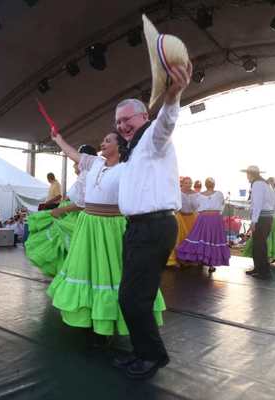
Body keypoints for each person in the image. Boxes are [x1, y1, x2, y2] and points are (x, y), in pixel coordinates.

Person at [113, 15, 192, 380]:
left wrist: (173, 96)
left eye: (127, 119)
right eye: (117, 123)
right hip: (139, 228)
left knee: (133, 298)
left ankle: (153, 357)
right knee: (131, 297)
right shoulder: (131, 153)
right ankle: (144, 353)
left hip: (153, 227)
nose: (121, 126)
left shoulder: (151, 139)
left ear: (143, 115)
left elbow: (166, 124)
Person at [47, 130, 166, 347]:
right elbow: (72, 154)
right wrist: (58, 139)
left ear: (120, 146)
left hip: (112, 226)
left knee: (109, 275)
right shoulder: (94, 163)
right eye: (103, 139)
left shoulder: (127, 168)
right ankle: (90, 321)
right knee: (88, 271)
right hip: (88, 224)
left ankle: (106, 328)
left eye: (107, 140)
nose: (102, 143)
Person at [25, 144, 97, 276]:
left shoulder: (89, 175)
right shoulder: (83, 176)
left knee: (75, 255)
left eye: (76, 161)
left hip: (76, 220)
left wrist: (60, 210)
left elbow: (83, 204)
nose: (74, 164)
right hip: (68, 217)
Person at [176, 177, 230, 272]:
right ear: (214, 185)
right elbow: (222, 205)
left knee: (201, 239)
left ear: (205, 185)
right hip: (215, 219)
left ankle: (201, 260)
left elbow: (196, 206)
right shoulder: (219, 194)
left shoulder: (199, 195)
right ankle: (210, 264)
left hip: (204, 218)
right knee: (212, 240)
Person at [241, 165, 275, 279]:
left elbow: (257, 204)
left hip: (261, 219)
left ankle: (263, 271)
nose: (247, 177)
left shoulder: (257, 184)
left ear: (250, 174)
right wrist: (273, 215)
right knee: (260, 244)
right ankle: (259, 268)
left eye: (247, 174)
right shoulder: (266, 184)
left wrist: (253, 222)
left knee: (259, 245)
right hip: (267, 217)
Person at [167, 176, 199, 267]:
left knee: (191, 239)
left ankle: (189, 259)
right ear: (182, 183)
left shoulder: (195, 194)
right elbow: (174, 204)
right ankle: (177, 259)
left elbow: (197, 207)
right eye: (186, 183)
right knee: (179, 239)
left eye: (190, 183)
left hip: (191, 218)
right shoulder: (178, 192)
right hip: (180, 217)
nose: (188, 185)